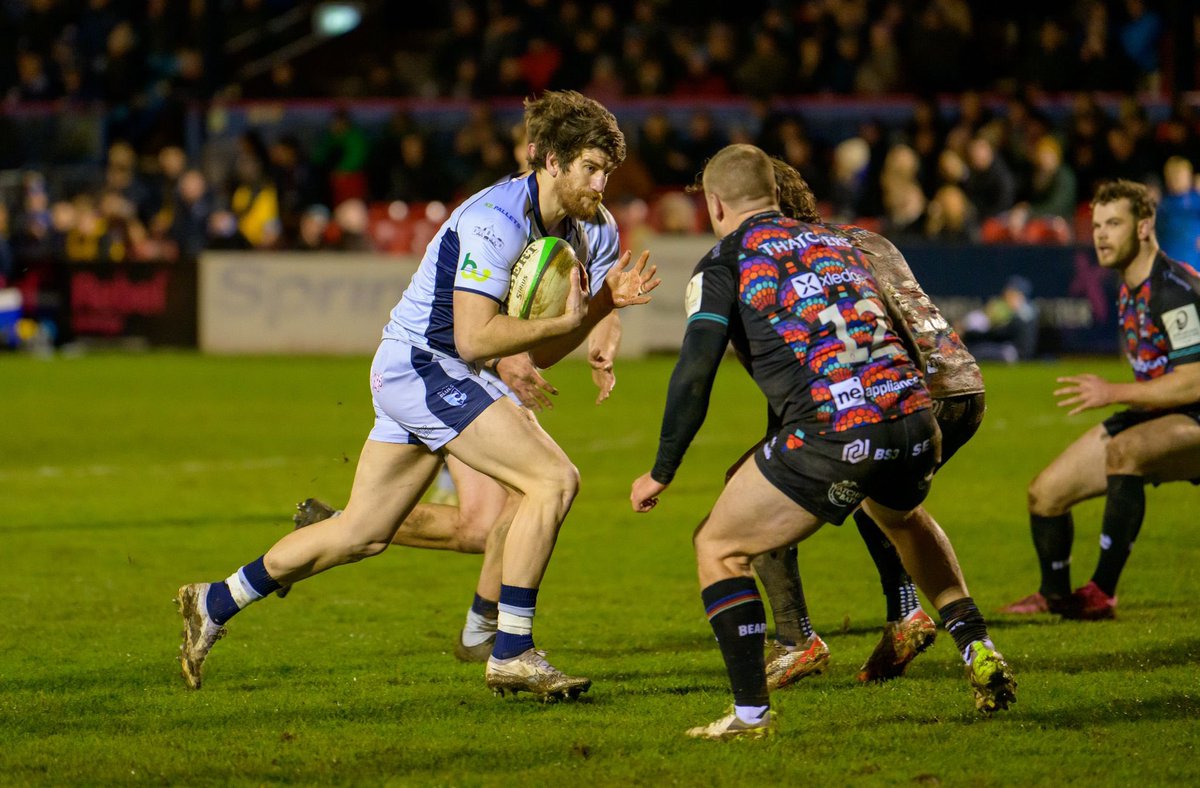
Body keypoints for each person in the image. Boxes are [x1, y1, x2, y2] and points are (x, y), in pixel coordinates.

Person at [176, 90, 659, 700]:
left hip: (447, 371)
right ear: (553, 162)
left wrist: (603, 308)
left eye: (607, 171)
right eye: (591, 167)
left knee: (361, 532)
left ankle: (215, 601)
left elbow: (533, 351)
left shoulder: (592, 229)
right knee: (553, 480)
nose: (601, 183)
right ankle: (511, 651)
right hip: (423, 367)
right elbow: (476, 337)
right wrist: (568, 323)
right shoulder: (497, 219)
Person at [629, 144, 1015, 740]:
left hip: (839, 428)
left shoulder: (725, 261)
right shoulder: (841, 241)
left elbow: (694, 370)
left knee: (718, 544)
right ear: (776, 193)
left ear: (714, 203)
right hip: (915, 415)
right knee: (903, 519)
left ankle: (750, 713)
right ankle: (978, 647)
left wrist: (662, 469)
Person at [749, 158, 990, 690]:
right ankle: (908, 616)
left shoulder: (800, 258)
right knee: (881, 499)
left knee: (751, 487)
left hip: (906, 393)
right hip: (963, 384)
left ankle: (795, 640)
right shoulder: (866, 238)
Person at [1002, 180, 1200, 619]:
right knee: (1045, 493)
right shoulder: (1130, 284)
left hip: (1193, 414)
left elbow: (1194, 382)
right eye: (1096, 225)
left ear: (1145, 227)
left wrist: (1113, 392)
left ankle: (1101, 593)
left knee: (1125, 452)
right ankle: (1053, 597)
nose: (1101, 235)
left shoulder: (1172, 288)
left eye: (1114, 224)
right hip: (1159, 413)